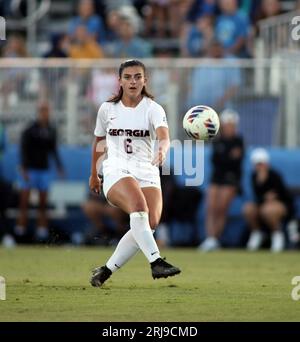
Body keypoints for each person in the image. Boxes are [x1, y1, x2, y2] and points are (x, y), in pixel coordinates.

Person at [89, 59, 181, 287]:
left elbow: (164, 137)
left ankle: (106, 270)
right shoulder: (107, 109)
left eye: (137, 77)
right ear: (119, 80)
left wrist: (162, 150)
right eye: (128, 77)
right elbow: (99, 141)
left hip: (146, 169)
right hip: (116, 169)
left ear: (145, 80)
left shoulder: (153, 108)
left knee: (148, 224)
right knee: (138, 207)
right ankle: (156, 261)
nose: (133, 81)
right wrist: (94, 173)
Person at [15, 102, 64, 242]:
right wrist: (24, 169)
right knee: (24, 202)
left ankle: (42, 232)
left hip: (44, 170)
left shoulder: (51, 131)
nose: (45, 114)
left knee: (43, 203)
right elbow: (23, 150)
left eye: (47, 111)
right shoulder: (30, 130)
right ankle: (20, 231)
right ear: (38, 113)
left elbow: (53, 150)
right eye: (42, 111)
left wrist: (59, 166)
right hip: (30, 170)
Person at [199, 109, 244, 251]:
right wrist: (228, 157)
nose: (230, 127)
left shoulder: (238, 141)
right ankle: (210, 238)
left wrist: (226, 158)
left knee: (221, 208)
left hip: (230, 178)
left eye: (232, 124)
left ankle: (215, 238)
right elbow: (217, 160)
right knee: (211, 207)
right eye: (227, 124)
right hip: (217, 177)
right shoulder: (217, 141)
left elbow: (235, 161)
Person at [243, 148, 294, 252]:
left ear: (266, 163)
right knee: (248, 209)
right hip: (262, 205)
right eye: (257, 164)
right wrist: (265, 197)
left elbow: (279, 195)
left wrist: (269, 198)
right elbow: (260, 197)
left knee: (268, 210)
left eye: (261, 163)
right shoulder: (253, 177)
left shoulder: (275, 175)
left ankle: (277, 235)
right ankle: (257, 234)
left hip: (282, 206)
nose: (259, 166)